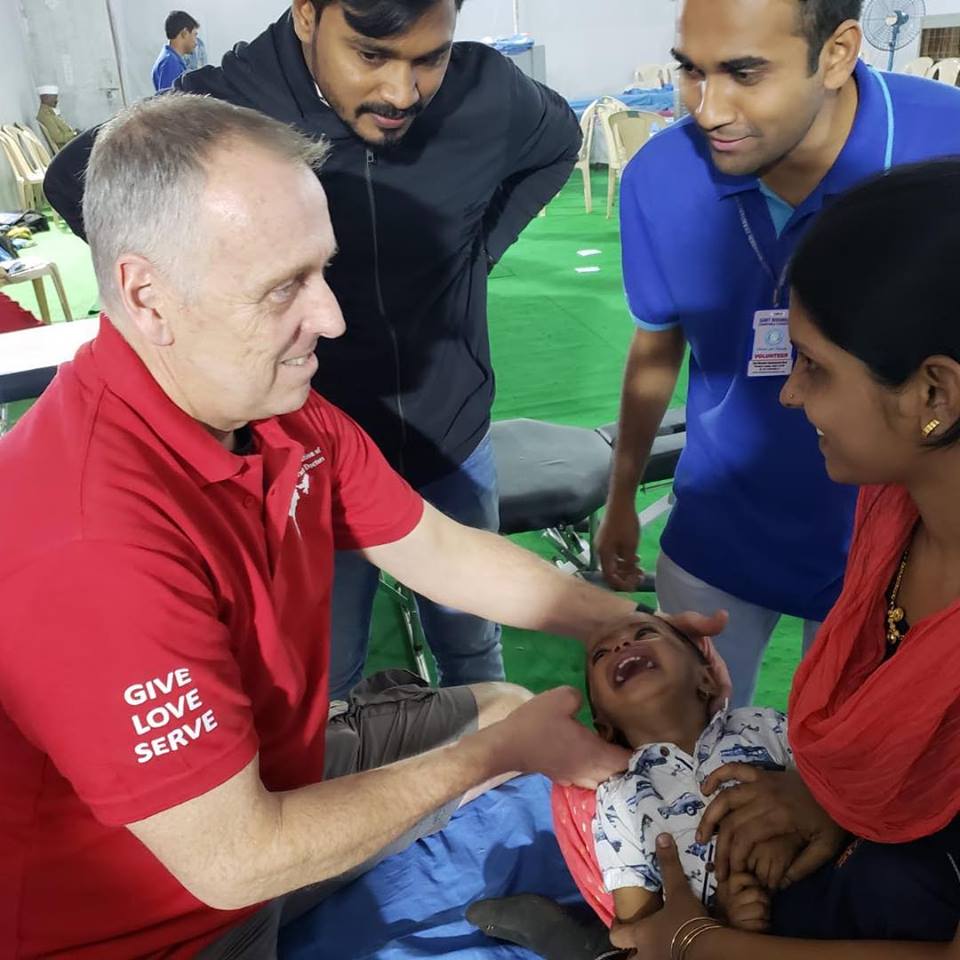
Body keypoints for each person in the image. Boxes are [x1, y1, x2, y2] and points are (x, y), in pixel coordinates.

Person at [0, 94, 637, 960]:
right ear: (147, 297)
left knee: (499, 704)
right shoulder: (90, 543)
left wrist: (620, 619)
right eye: (284, 287)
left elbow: (436, 547)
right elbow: (232, 862)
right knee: (495, 740)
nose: (331, 318)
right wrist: (486, 761)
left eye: (322, 269)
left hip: (267, 768)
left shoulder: (269, 408)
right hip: (162, 923)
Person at [45, 0, 582, 702]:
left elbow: (557, 140)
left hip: (450, 428)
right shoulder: (226, 108)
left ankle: (485, 794)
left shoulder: (487, 92)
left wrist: (478, 251)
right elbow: (76, 180)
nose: (400, 92)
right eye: (370, 54)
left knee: (473, 647)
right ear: (307, 14)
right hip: (307, 456)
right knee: (327, 678)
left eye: (429, 58)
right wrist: (203, 296)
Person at [605, 159, 960, 959]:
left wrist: (694, 940)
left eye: (816, 367)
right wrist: (827, 801)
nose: (791, 395)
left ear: (934, 395)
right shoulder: (894, 512)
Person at [596, 0, 960, 707]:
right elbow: (656, 344)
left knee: (880, 770)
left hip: (906, 536)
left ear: (838, 53)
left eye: (743, 72)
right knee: (696, 746)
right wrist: (621, 494)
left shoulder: (944, 142)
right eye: (690, 71)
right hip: (722, 523)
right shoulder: (661, 179)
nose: (707, 108)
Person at [153, 10, 200, 92]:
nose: (196, 42)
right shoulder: (170, 62)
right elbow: (171, 101)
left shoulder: (170, 58)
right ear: (184, 33)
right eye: (194, 35)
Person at [35, 84, 77, 151]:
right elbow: (58, 138)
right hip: (66, 149)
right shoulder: (45, 115)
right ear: (46, 98)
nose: (57, 101)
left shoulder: (50, 112)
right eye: (54, 98)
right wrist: (74, 134)